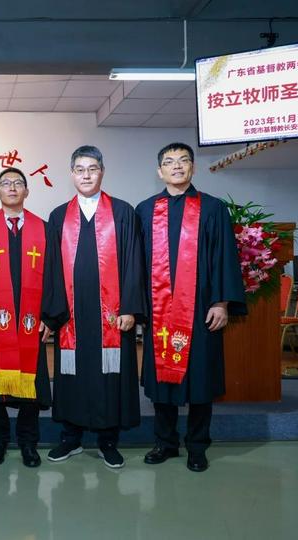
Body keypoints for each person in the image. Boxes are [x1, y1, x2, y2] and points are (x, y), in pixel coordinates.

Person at [135, 142, 246, 472]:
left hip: (199, 310)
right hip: (158, 312)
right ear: (160, 172)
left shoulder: (212, 209)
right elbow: (135, 264)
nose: (177, 166)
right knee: (162, 384)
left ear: (193, 168)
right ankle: (165, 442)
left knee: (200, 381)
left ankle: (197, 446)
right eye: (169, 162)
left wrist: (222, 303)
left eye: (184, 161)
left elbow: (224, 256)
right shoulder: (144, 210)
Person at [42, 145, 144, 469]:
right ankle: (70, 438)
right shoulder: (59, 216)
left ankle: (107, 441)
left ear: (102, 172)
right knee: (71, 375)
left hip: (111, 315)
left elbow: (133, 263)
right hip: (71, 315)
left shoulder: (123, 213)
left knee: (109, 375)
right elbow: (52, 270)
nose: (86, 175)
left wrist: (129, 307)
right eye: (80, 170)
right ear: (72, 174)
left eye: (92, 169)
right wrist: (54, 312)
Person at [0, 167, 51, 468]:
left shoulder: (44, 230)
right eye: (6, 184)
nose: (12, 188)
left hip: (31, 322)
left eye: (18, 184)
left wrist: (49, 319)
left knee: (29, 386)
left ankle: (29, 444)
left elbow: (54, 276)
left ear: (27, 191)